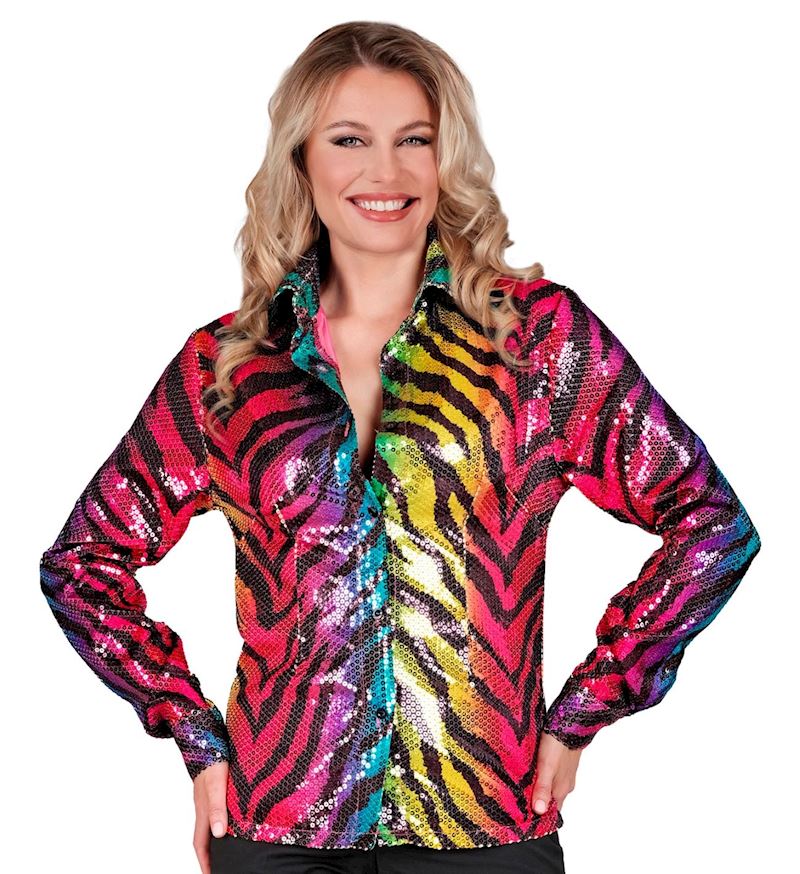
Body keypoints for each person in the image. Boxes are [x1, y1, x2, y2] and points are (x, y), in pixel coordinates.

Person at [39, 20, 761, 874]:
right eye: (350, 140)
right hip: (279, 831)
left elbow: (711, 525)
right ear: (302, 161)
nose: (384, 172)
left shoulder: (534, 341)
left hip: (485, 829)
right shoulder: (228, 365)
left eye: (414, 140)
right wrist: (194, 733)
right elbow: (83, 564)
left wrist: (584, 711)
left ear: (446, 158)